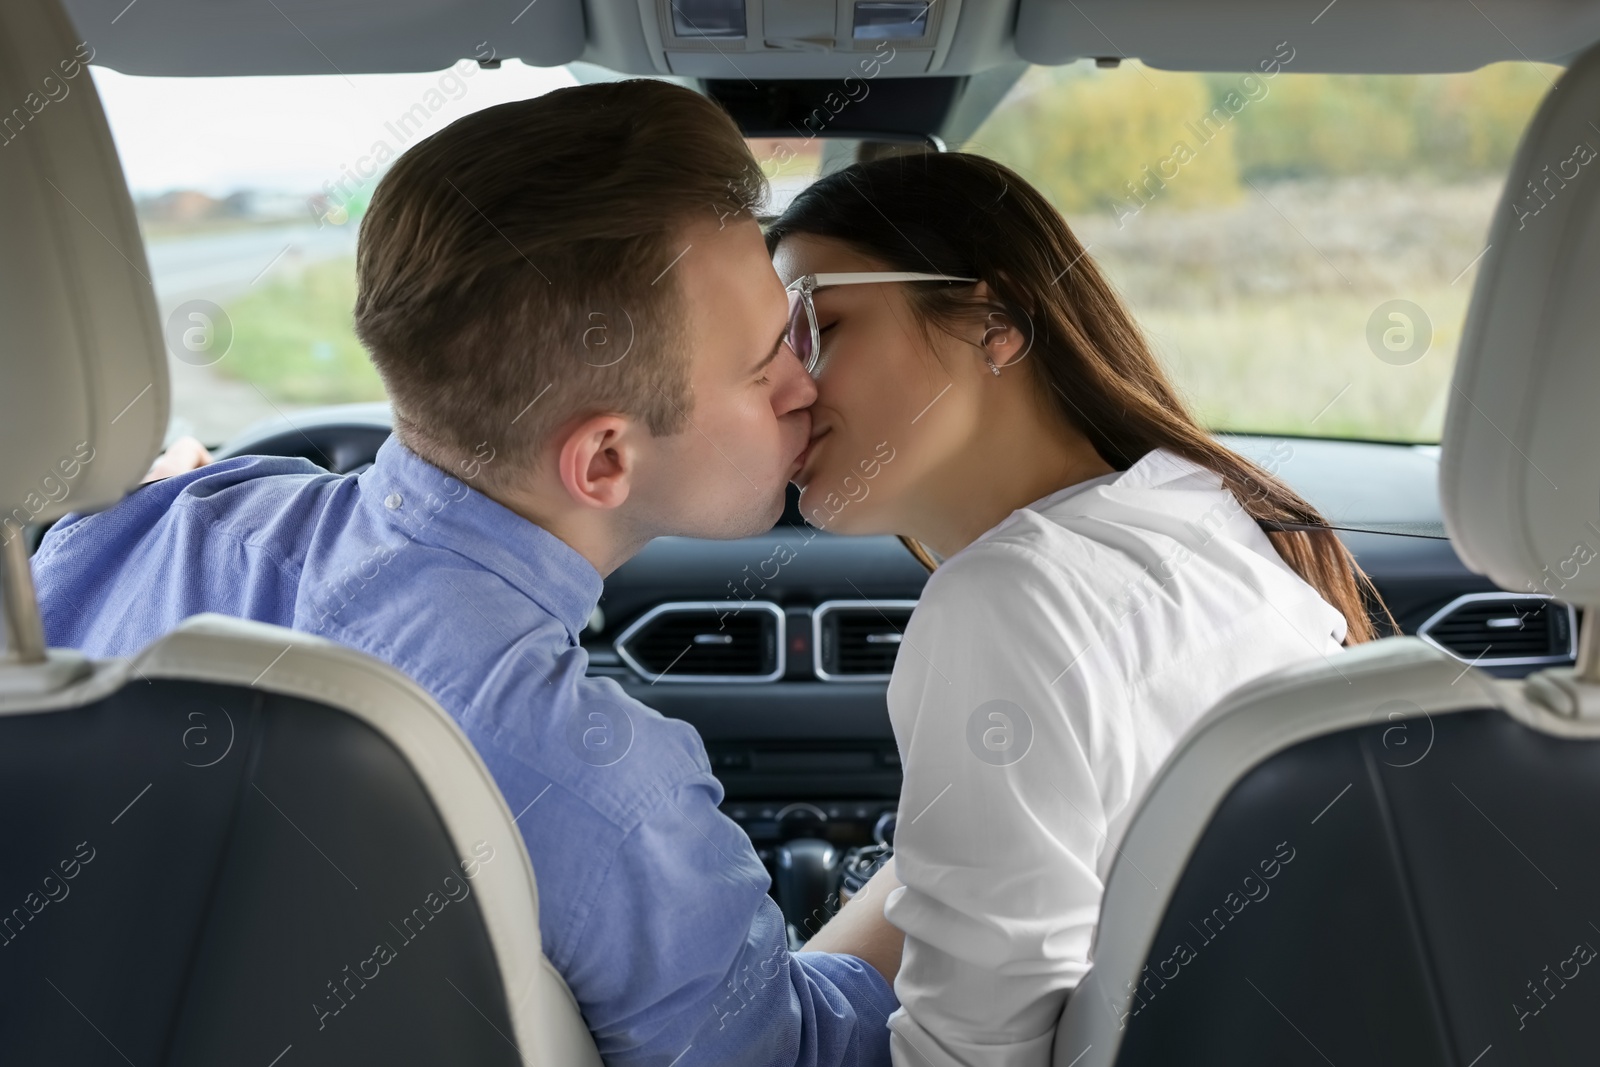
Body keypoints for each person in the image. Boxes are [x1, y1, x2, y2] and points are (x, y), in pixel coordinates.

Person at [30, 81, 903, 1067]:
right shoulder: (607, 788)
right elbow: (793, 1057)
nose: (806, 380)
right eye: (764, 361)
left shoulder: (117, 540)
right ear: (604, 462)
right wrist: (942, 858)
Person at [765, 151, 1395, 1067]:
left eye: (817, 328)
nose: (786, 388)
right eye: (770, 354)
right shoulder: (1208, 518)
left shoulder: (1003, 601)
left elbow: (972, 1055)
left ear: (996, 322)